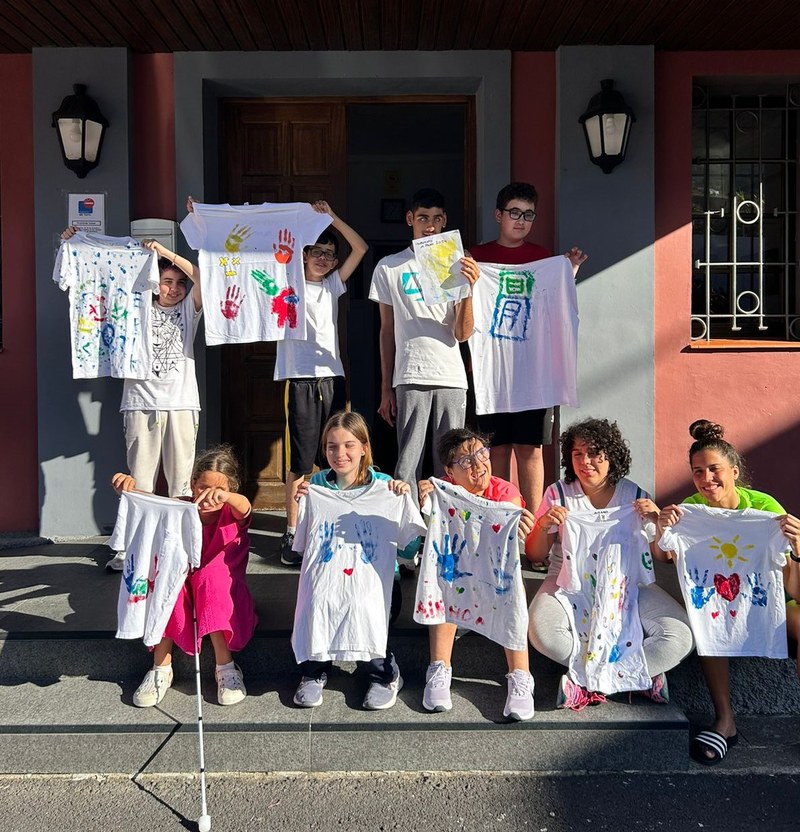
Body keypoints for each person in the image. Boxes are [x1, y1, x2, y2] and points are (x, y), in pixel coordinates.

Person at [62, 207, 204, 572]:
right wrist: (72, 245)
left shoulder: (189, 310)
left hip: (181, 403)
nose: (173, 289)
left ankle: (181, 550)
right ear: (155, 283)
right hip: (140, 402)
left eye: (178, 284)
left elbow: (201, 277)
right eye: (166, 281)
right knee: (139, 480)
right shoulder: (134, 303)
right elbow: (92, 284)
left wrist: (166, 253)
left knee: (180, 482)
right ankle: (130, 548)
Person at [656, 419, 800, 765]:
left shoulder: (764, 509)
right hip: (720, 600)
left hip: (774, 598)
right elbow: (664, 555)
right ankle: (725, 721)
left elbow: (792, 582)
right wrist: (662, 528)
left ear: (734, 471)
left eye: (714, 469)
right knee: (707, 619)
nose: (706, 479)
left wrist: (797, 544)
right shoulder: (692, 510)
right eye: (697, 471)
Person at [526, 418, 694, 710]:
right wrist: (542, 526)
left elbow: (661, 556)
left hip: (629, 586)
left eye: (594, 453)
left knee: (680, 636)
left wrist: (657, 522)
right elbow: (535, 556)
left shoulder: (635, 497)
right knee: (541, 633)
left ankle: (587, 682)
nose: (585, 461)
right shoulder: (559, 494)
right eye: (577, 454)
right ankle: (639, 677)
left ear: (611, 456)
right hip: (569, 585)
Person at [290, 411, 425, 710]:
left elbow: (409, 548)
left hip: (377, 584)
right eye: (332, 446)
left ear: (364, 447)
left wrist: (406, 501)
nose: (340, 454)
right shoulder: (316, 488)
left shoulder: (387, 488)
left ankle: (384, 674)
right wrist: (302, 501)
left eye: (349, 445)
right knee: (316, 598)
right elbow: (302, 546)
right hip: (329, 578)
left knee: (364, 603)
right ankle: (313, 672)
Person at [468, 182, 587, 514]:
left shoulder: (543, 258)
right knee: (495, 451)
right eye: (514, 212)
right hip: (489, 372)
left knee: (531, 450)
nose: (521, 220)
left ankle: (534, 526)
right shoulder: (477, 257)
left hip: (532, 374)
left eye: (529, 214)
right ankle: (501, 518)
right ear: (498, 214)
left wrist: (568, 272)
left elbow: (554, 305)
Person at [112, 444, 257, 708]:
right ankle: (161, 667)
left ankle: (225, 666)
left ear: (230, 490)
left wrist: (227, 499)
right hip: (185, 581)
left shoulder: (232, 512)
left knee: (210, 579)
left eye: (220, 490)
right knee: (169, 584)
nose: (210, 495)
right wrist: (129, 489)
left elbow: (245, 507)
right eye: (203, 487)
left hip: (221, 584)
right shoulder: (181, 507)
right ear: (192, 485)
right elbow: (152, 503)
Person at [417, 427, 537, 720]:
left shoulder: (505, 491)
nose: (478, 465)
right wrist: (422, 499)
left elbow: (507, 517)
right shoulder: (441, 492)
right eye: (465, 461)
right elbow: (423, 516)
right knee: (446, 581)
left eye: (481, 454)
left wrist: (521, 524)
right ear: (448, 471)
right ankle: (439, 667)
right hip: (458, 576)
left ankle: (521, 675)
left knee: (512, 597)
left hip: (494, 579)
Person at [369, 188, 480, 501]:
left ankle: (446, 529)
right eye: (422, 218)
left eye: (435, 218)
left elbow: (462, 333)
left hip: (450, 376)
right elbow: (386, 331)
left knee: (452, 461)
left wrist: (468, 290)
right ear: (410, 219)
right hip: (410, 373)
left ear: (444, 221)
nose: (429, 225)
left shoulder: (458, 262)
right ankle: (407, 533)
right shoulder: (389, 267)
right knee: (408, 461)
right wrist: (385, 388)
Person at [275, 201, 368, 566]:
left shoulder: (333, 284)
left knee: (336, 451)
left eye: (330, 255)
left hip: (332, 376)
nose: (325, 260)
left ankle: (329, 520)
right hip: (298, 376)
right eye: (318, 253)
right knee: (300, 459)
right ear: (304, 253)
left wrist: (333, 218)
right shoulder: (285, 278)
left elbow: (359, 248)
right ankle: (292, 529)